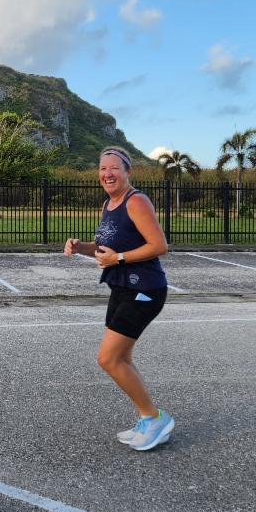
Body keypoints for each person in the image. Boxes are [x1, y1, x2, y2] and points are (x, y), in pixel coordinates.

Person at [64, 147, 173, 451]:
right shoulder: (109, 204)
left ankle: (155, 417)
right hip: (122, 287)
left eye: (114, 168)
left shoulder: (135, 201)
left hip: (145, 289)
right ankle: (148, 418)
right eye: (102, 169)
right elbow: (102, 246)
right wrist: (80, 246)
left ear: (127, 172)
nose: (107, 174)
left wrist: (120, 258)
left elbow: (159, 245)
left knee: (108, 358)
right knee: (122, 358)